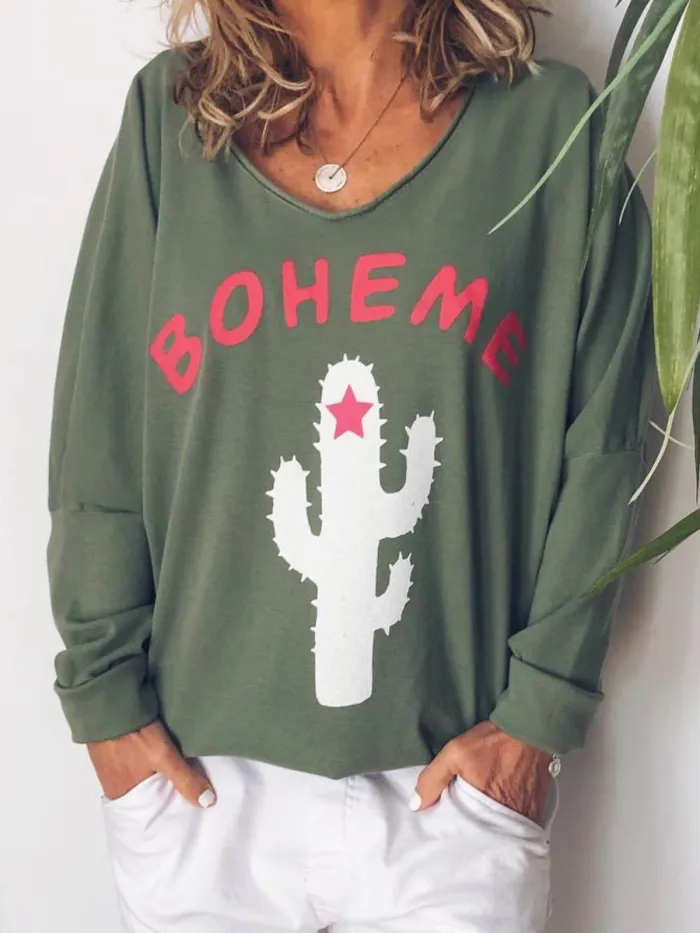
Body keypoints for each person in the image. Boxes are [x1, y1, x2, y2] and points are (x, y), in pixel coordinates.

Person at [46, 1, 655, 930]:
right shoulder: (170, 122)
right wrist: (106, 707)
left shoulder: (554, 128)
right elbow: (101, 430)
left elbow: (605, 448)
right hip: (202, 791)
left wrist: (537, 721)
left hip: (451, 801)